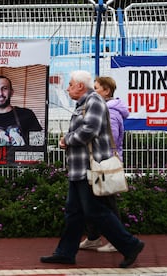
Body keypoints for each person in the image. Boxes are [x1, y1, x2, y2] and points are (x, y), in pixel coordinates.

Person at [40, 70, 144, 268]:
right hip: (79, 168)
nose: (67, 88)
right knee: (74, 212)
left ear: (80, 86)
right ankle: (65, 253)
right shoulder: (84, 103)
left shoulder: (94, 101)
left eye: (70, 84)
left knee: (95, 211)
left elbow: (90, 130)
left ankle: (130, 245)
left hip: (90, 168)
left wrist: (66, 139)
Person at [78, 76, 130, 253]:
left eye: (97, 88)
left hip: (105, 163)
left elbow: (110, 139)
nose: (93, 92)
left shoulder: (111, 112)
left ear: (106, 91)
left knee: (107, 202)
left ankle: (118, 240)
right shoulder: (103, 109)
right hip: (99, 163)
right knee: (93, 201)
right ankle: (94, 237)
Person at [0, 75, 42, 147]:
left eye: (4, 88)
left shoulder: (27, 115)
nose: (0, 93)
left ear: (11, 92)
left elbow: (39, 145)